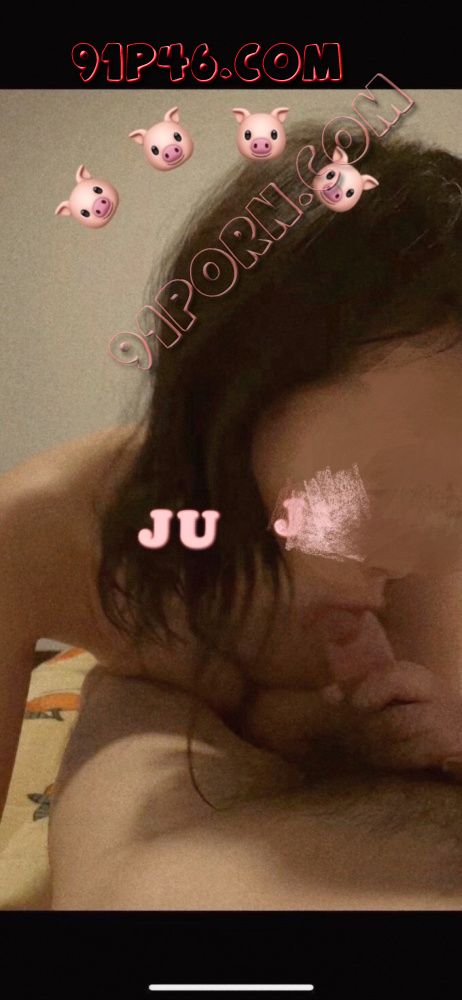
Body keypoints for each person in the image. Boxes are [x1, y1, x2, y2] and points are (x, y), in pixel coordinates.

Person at [2, 120, 462, 909]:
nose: (427, 544)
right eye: (386, 480)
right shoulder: (50, 528)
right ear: (235, 397)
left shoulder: (424, 562)